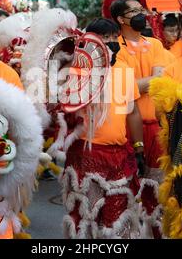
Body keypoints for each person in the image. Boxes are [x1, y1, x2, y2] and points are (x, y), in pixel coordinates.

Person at [62, 19, 144, 239]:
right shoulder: (77, 71)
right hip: (87, 153)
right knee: (86, 216)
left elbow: (133, 111)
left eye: (112, 37)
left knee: (118, 217)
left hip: (120, 154)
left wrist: (139, 148)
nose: (109, 42)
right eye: (102, 38)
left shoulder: (125, 69)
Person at [110, 0, 175, 180]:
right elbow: (122, 87)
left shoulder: (155, 44)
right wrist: (144, 82)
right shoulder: (116, 48)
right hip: (127, 125)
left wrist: (133, 84)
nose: (140, 15)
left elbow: (160, 79)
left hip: (157, 127)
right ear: (121, 19)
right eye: (134, 11)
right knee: (129, 181)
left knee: (157, 181)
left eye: (141, 10)